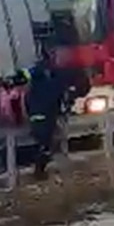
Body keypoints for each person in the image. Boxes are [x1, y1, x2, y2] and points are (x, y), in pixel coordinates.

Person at [22, 47, 71, 178]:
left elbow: (27, 98)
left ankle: (40, 169)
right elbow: (60, 98)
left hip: (37, 117)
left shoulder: (35, 82)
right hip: (46, 118)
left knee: (45, 145)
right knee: (48, 145)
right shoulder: (55, 79)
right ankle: (39, 171)